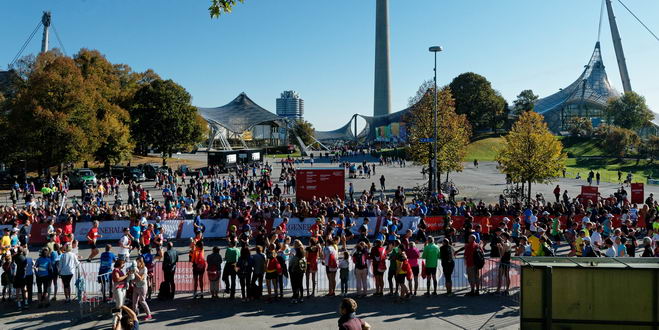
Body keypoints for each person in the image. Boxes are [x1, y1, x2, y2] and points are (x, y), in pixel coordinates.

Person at [131, 256, 153, 321]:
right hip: (136, 286)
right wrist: (132, 280)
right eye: (136, 262)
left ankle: (149, 315)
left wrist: (135, 273)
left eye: (137, 262)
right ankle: (134, 316)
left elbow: (141, 278)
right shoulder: (136, 268)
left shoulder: (145, 268)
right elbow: (134, 278)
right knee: (134, 302)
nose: (136, 264)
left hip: (142, 287)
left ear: (141, 262)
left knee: (142, 301)